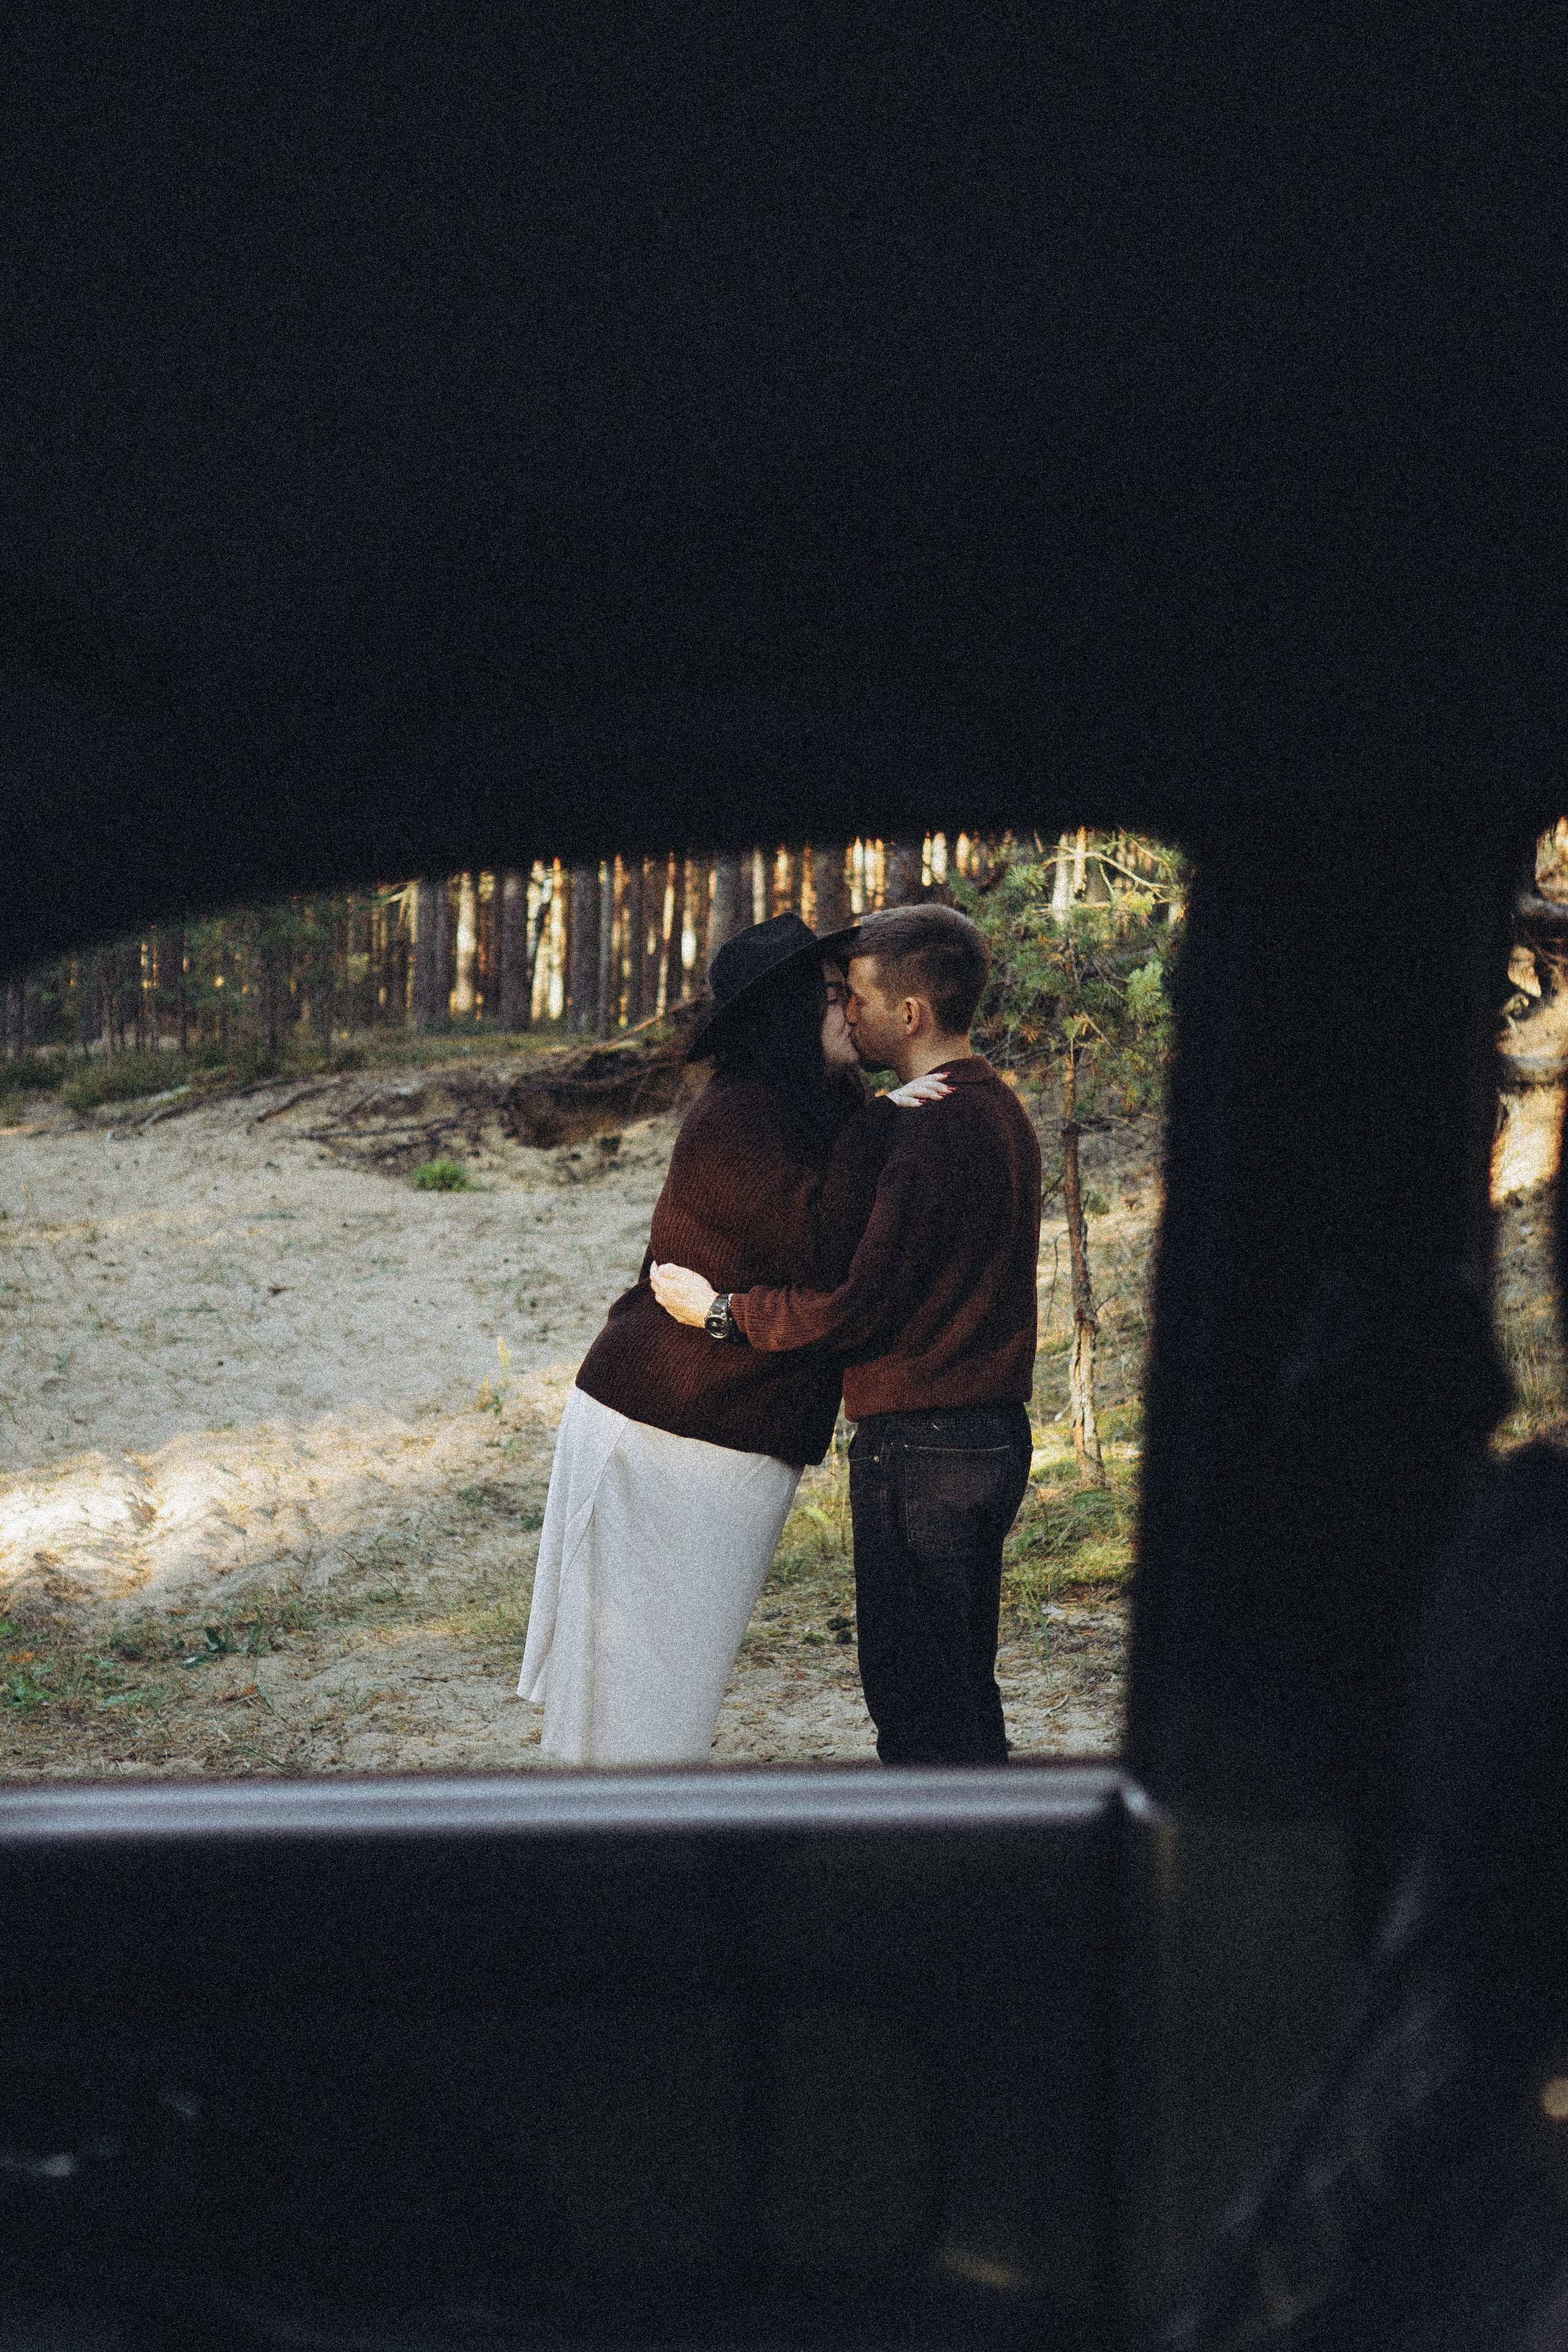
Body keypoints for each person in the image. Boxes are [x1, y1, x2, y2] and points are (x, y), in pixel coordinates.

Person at [517, 912, 937, 1766]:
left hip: (732, 1428)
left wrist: (882, 1118)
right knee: (641, 1696)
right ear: (789, 1012)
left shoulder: (823, 1108)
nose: (852, 1012)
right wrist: (890, 1121)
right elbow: (825, 1250)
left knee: (676, 1684)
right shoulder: (733, 1119)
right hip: (662, 1427)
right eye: (832, 997)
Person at [652, 902, 1041, 1766]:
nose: (849, 1013)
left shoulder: (923, 1127)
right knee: (963, 1680)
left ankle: (945, 1880)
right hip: (995, 1439)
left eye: (856, 996)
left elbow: (857, 1304)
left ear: (910, 1015)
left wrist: (724, 1314)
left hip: (921, 1450)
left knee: (916, 1698)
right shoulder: (997, 1109)